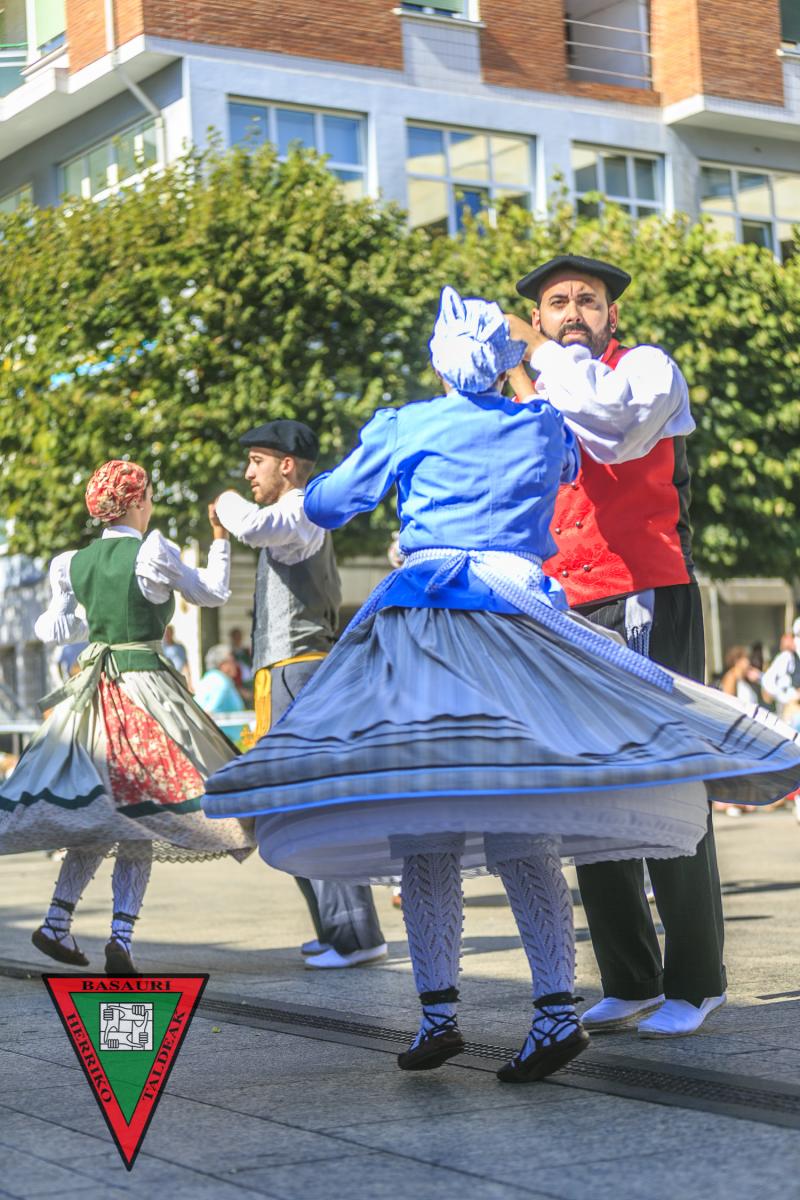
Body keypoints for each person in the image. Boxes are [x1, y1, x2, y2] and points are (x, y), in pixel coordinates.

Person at [203, 287, 800, 1081]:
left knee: (423, 820)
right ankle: (554, 1012)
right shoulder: (542, 422)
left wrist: (278, 501)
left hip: (424, 627)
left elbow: (330, 504)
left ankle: (437, 1014)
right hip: (521, 621)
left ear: (437, 360)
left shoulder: (406, 424)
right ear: (506, 356)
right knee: (522, 815)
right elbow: (567, 460)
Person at [507, 253, 727, 1038]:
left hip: (645, 590)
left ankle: (696, 980)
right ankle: (630, 976)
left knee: (664, 779)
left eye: (588, 300)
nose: (573, 312)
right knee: (589, 787)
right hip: (566, 602)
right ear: (539, 316)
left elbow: (613, 435)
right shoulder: (537, 389)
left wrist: (539, 358)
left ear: (613, 315)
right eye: (556, 303)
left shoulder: (645, 369)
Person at [0, 460, 254, 975]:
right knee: (140, 815)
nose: (152, 503)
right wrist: (220, 539)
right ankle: (118, 936)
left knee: (100, 813)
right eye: (150, 495)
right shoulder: (153, 552)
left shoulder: (73, 563)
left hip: (92, 695)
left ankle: (58, 921)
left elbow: (53, 629)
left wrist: (88, 621)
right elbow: (213, 592)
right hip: (144, 689)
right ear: (137, 501)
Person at [213, 420, 386, 969]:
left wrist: (224, 500)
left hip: (297, 671)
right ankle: (337, 931)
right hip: (284, 673)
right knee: (288, 807)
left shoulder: (301, 508)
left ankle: (354, 935)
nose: (248, 473)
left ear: (286, 465)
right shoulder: (298, 513)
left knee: (307, 804)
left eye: (257, 462)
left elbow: (253, 525)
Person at [195, 644, 246, 715]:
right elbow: (207, 712)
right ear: (222, 664)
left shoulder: (211, 677)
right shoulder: (221, 682)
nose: (236, 664)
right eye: (232, 661)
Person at [162, 624, 192, 690]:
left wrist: (189, 683)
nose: (167, 635)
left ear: (172, 633)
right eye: (166, 633)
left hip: (179, 678)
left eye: (169, 633)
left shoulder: (180, 647)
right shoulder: (162, 648)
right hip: (167, 678)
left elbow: (185, 665)